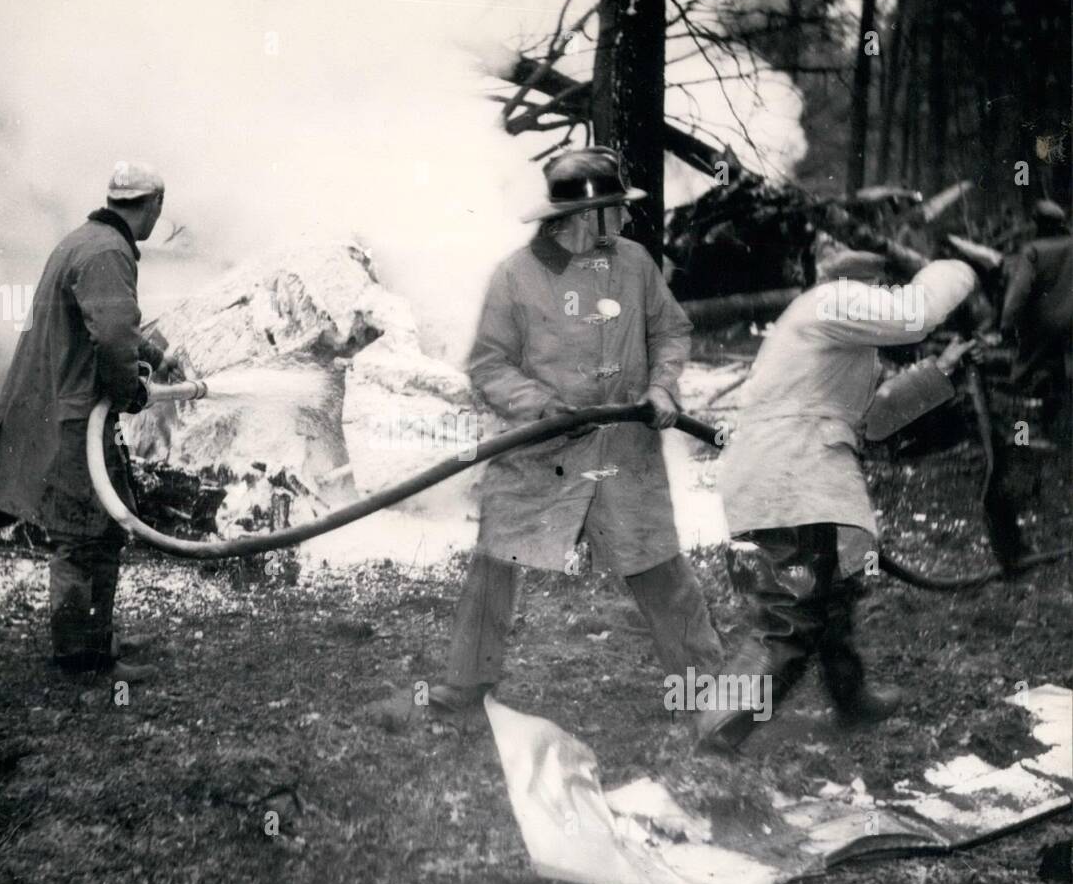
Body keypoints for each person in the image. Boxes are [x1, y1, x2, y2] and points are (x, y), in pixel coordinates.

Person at [424, 146, 723, 720]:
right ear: (589, 215)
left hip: (624, 447)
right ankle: (466, 683)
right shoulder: (514, 276)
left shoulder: (635, 264)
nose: (629, 220)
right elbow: (489, 364)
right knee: (496, 559)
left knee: (658, 564)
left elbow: (671, 334)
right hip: (542, 451)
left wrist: (662, 389)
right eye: (619, 209)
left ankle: (703, 684)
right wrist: (539, 406)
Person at [695, 250, 978, 754]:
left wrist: (939, 373)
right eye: (881, 290)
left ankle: (850, 699)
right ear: (862, 287)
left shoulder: (836, 337)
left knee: (833, 595)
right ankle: (714, 736)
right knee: (789, 621)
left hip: (797, 471)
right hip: (790, 474)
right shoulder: (829, 301)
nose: (883, 299)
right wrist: (961, 270)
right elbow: (916, 312)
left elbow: (871, 420)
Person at [0, 161, 185, 682]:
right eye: (158, 212)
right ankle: (82, 658)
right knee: (84, 534)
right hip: (76, 421)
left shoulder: (84, 241)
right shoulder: (110, 253)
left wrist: (156, 357)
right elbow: (113, 336)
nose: (157, 222)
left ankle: (95, 638)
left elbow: (104, 322)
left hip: (68, 413)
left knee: (102, 527)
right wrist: (132, 392)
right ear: (151, 207)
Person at [999, 200, 1071, 425]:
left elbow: (1018, 293)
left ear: (1038, 223)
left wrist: (1007, 326)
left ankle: (1024, 429)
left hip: (1042, 325)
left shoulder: (1033, 251)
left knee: (1024, 375)